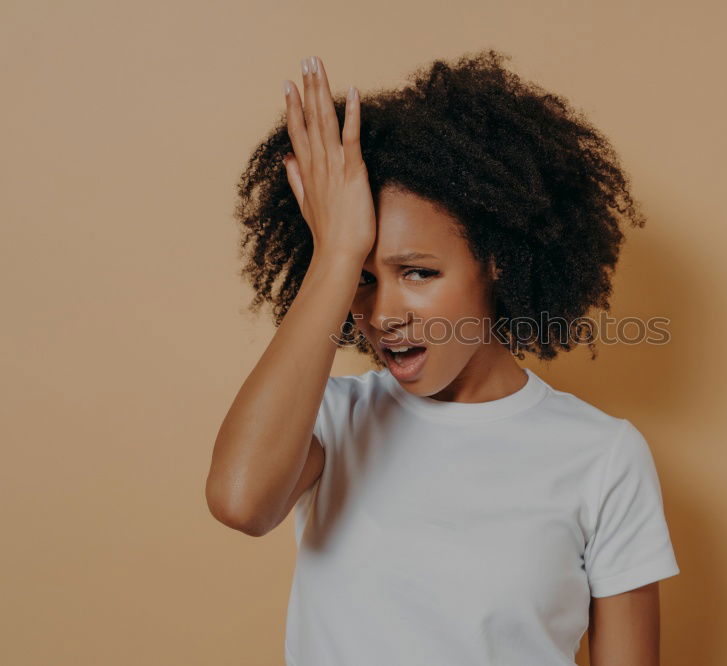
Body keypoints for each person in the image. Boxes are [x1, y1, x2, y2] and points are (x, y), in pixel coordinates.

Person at [206, 49, 680, 666]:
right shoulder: (330, 422)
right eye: (364, 280)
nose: (383, 314)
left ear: (497, 260)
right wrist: (334, 254)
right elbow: (241, 501)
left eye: (419, 272)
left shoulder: (602, 456)